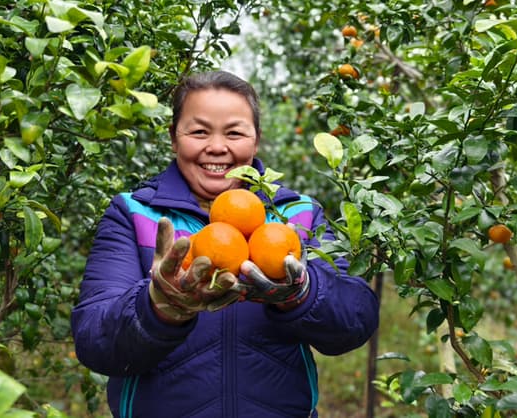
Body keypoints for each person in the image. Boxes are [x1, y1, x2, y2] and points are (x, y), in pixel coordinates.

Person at [71, 70, 379, 418]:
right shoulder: (135, 214)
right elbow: (94, 341)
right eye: (199, 131)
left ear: (256, 140)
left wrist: (303, 294)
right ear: (174, 138)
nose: (217, 147)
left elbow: (355, 321)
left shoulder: (298, 216)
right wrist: (157, 308)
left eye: (234, 132)